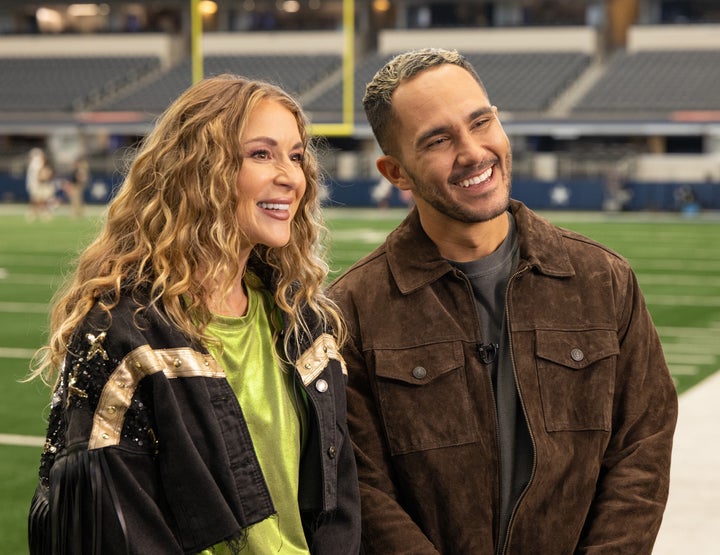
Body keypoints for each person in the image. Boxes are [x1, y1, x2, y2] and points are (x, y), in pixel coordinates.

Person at [328, 48, 678, 554]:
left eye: (481, 122)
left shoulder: (603, 280)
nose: (473, 152)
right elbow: (364, 486)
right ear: (395, 172)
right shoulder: (351, 310)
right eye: (438, 140)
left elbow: (641, 450)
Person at [28, 74, 361, 554]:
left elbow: (339, 503)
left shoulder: (304, 322)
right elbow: (112, 527)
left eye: (295, 156)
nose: (291, 176)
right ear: (201, 169)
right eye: (261, 154)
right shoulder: (124, 333)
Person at [26, 147, 56, 221]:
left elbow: (46, 175)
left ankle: (42, 212)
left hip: (42, 184)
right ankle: (34, 212)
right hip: (36, 184)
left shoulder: (41, 164)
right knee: (36, 199)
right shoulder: (34, 164)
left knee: (43, 200)